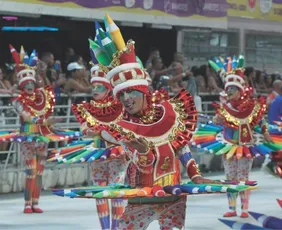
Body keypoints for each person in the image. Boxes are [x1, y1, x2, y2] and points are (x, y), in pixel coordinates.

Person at [95, 14, 218, 229]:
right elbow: (137, 158)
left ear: (144, 91)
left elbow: (182, 148)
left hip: (173, 194)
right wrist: (143, 153)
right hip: (143, 195)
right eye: (122, 95)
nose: (126, 99)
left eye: (131, 92)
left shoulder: (170, 113)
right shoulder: (122, 125)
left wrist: (196, 176)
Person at [9, 44, 79, 214]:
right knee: (31, 171)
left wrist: (41, 72)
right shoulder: (17, 100)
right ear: (22, 85)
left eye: (31, 83)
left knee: (39, 171)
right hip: (28, 136)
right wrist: (46, 121)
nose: (30, 86)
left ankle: (35, 201)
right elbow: (27, 117)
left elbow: (46, 95)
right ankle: (27, 203)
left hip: (43, 137)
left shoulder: (41, 97)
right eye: (26, 84)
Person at [209, 55, 272, 218]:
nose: (229, 92)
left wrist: (265, 133)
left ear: (240, 90)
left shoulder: (250, 107)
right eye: (228, 89)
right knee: (230, 178)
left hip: (245, 147)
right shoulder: (224, 107)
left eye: (233, 89)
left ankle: (244, 209)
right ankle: (232, 208)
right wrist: (217, 120)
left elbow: (260, 121)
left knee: (243, 177)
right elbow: (217, 122)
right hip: (228, 145)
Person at [72, 62, 128, 230]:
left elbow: (125, 129)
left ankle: (116, 228)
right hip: (97, 154)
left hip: (118, 153)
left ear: (109, 89)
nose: (95, 90)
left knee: (116, 189)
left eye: (100, 87)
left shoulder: (121, 107)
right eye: (93, 86)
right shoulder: (86, 109)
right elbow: (85, 130)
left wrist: (100, 132)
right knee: (100, 190)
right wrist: (94, 132)